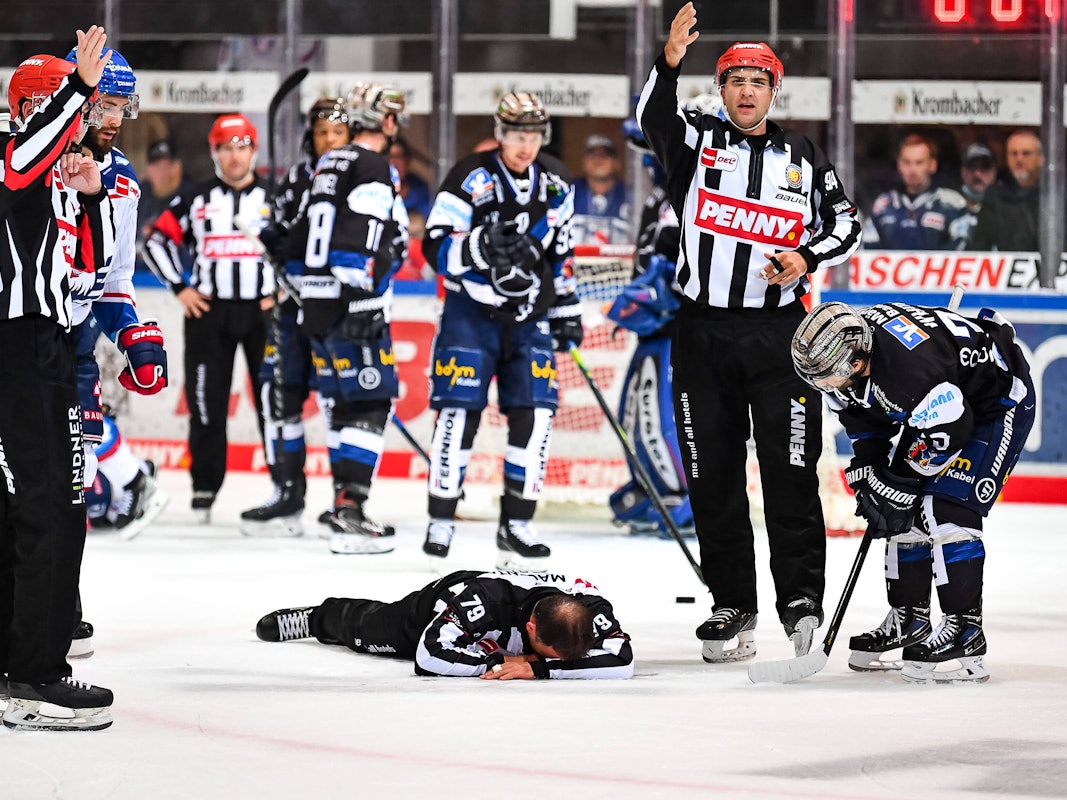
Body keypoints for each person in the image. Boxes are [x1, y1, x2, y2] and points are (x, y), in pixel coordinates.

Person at [638, 3, 862, 663]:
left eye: (757, 81)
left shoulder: (802, 155)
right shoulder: (695, 139)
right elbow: (651, 115)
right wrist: (669, 60)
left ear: (773, 91)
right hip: (701, 334)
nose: (745, 90)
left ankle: (801, 603)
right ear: (720, 88)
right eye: (734, 79)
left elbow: (846, 223)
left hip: (778, 339)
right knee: (712, 480)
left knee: (790, 473)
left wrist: (806, 256)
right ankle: (732, 605)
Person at [791, 300, 1035, 683]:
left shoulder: (909, 372)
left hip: (995, 403)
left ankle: (966, 631)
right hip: (944, 400)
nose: (823, 386)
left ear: (856, 361)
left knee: (948, 508)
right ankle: (910, 619)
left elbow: (951, 431)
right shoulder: (850, 358)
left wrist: (896, 483)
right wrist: (873, 469)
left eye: (828, 378)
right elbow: (862, 418)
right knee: (899, 511)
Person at [1, 26, 116, 732]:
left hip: (47, 344)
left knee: (38, 508)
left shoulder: (58, 171)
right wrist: (75, 86)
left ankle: (20, 661)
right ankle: (35, 677)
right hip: (18, 346)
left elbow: (86, 276)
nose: (80, 123)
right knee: (47, 508)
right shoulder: (14, 151)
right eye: (67, 109)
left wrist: (94, 197)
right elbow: (19, 164)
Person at [420, 91, 580, 569]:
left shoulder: (556, 181)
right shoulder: (470, 175)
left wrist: (566, 308)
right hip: (470, 316)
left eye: (533, 135)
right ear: (500, 133)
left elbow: (562, 251)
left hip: (529, 318)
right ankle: (441, 520)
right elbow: (433, 247)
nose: (525, 145)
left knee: (536, 415)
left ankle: (517, 524)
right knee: (458, 414)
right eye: (516, 135)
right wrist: (478, 246)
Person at [61, 45, 168, 659]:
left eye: (120, 107)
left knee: (73, 488)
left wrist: (130, 333)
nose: (112, 119)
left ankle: (60, 606)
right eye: (102, 104)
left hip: (76, 349)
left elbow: (114, 280)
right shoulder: (31, 161)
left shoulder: (123, 179)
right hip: (21, 341)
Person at [142, 113, 274, 523]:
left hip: (263, 314)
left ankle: (285, 489)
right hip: (209, 314)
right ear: (215, 153)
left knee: (274, 404)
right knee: (206, 404)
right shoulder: (196, 198)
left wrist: (283, 291)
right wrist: (179, 287)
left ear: (254, 150)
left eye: (242, 146)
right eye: (226, 148)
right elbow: (156, 241)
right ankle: (204, 490)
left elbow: (301, 246)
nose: (235, 156)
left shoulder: (275, 198)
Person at [297, 82, 409, 555]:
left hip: (317, 304)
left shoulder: (330, 161)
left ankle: (340, 504)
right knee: (371, 401)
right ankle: (351, 509)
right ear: (387, 121)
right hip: (352, 305)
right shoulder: (372, 164)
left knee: (345, 404)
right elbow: (355, 245)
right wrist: (365, 294)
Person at [239, 97, 353, 538]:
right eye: (322, 133)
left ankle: (345, 499)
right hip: (292, 306)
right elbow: (282, 228)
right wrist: (276, 241)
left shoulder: (358, 176)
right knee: (278, 394)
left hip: (336, 310)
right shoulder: (295, 178)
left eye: (338, 133)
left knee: (337, 403)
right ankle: (287, 491)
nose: (329, 140)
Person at [255, 570, 634, 679]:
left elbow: (623, 659)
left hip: (501, 622)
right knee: (367, 630)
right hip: (438, 606)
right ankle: (315, 618)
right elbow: (428, 655)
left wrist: (538, 668)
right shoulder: (482, 602)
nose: (560, 660)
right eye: (551, 654)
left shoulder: (589, 608)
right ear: (532, 630)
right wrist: (499, 664)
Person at [606, 107, 691, 538]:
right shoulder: (660, 194)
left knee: (661, 418)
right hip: (656, 329)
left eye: (652, 147)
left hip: (680, 330)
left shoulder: (691, 188)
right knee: (633, 414)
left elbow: (684, 265)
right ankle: (654, 488)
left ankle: (684, 498)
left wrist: (661, 288)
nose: (646, 157)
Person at [862, 133, 969, 250]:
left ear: (932, 165)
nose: (912, 170)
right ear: (899, 165)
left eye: (919, 163)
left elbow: (962, 247)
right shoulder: (883, 205)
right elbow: (868, 248)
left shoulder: (952, 204)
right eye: (907, 162)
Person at [967, 129, 1042, 251]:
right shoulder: (995, 196)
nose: (1019, 159)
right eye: (1014, 154)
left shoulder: (1057, 195)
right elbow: (980, 244)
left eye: (1026, 153)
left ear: (1041, 158)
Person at [571, 133, 632, 246]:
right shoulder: (570, 192)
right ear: (584, 162)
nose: (598, 160)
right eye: (592, 154)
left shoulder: (629, 196)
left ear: (617, 163)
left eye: (605, 155)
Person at [137, 139, 194, 244]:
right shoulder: (138, 195)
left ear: (178, 167)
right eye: (158, 167)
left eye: (169, 165)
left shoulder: (192, 197)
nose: (164, 172)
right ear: (149, 169)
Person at [955, 141, 998, 246]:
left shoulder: (1005, 210)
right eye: (972, 167)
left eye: (984, 167)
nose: (977, 174)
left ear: (994, 173)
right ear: (962, 172)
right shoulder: (949, 206)